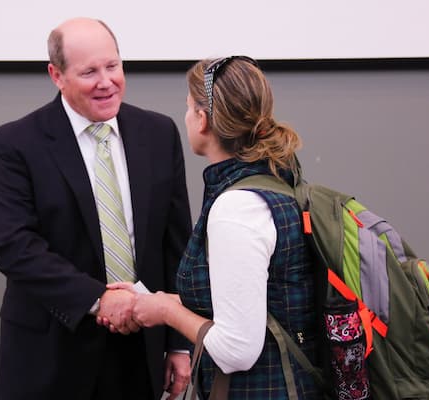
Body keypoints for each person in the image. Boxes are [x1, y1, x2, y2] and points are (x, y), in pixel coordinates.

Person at [0, 17, 192, 400]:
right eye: (89, 72)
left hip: (139, 352)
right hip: (51, 352)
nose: (106, 81)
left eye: (113, 66)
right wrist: (98, 299)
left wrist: (180, 342)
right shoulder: (15, 144)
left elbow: (177, 245)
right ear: (56, 75)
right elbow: (13, 245)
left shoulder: (158, 134)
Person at [107, 56, 323, 399]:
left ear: (203, 120)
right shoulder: (277, 182)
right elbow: (252, 303)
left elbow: (236, 350)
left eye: (189, 108)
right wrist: (160, 299)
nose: (187, 116)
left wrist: (165, 311)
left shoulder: (236, 209)